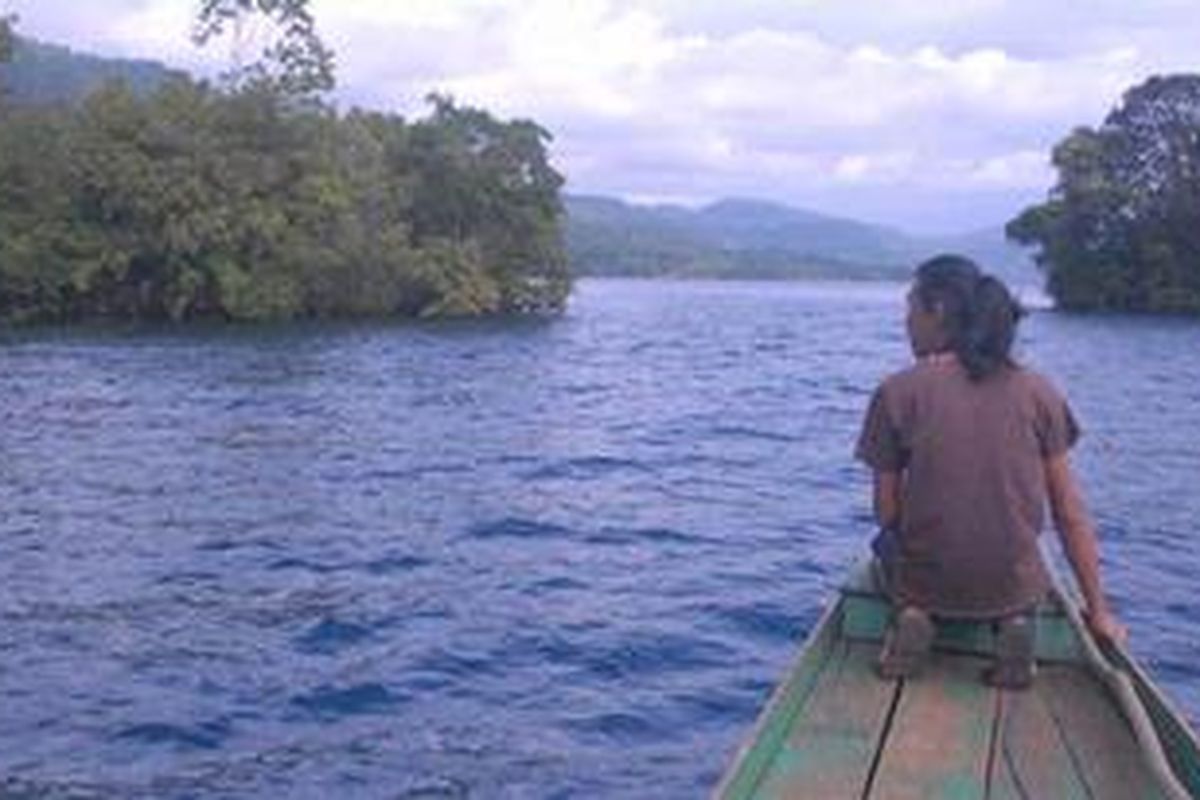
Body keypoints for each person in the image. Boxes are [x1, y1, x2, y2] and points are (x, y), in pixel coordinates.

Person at [855, 254, 1126, 689]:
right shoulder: (1039, 391)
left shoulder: (897, 392)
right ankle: (1013, 623)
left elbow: (886, 512)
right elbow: (1069, 512)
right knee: (1019, 565)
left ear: (937, 311)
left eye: (911, 309)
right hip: (1010, 584)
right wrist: (1099, 611)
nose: (906, 323)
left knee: (883, 547)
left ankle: (913, 613)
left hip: (927, 578)